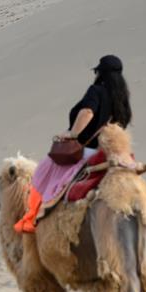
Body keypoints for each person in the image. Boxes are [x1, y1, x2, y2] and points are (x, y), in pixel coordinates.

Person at [16, 54, 133, 233]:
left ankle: (33, 219)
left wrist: (73, 134)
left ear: (100, 73)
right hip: (113, 153)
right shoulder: (122, 99)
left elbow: (87, 111)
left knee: (44, 173)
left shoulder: (97, 91)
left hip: (89, 151)